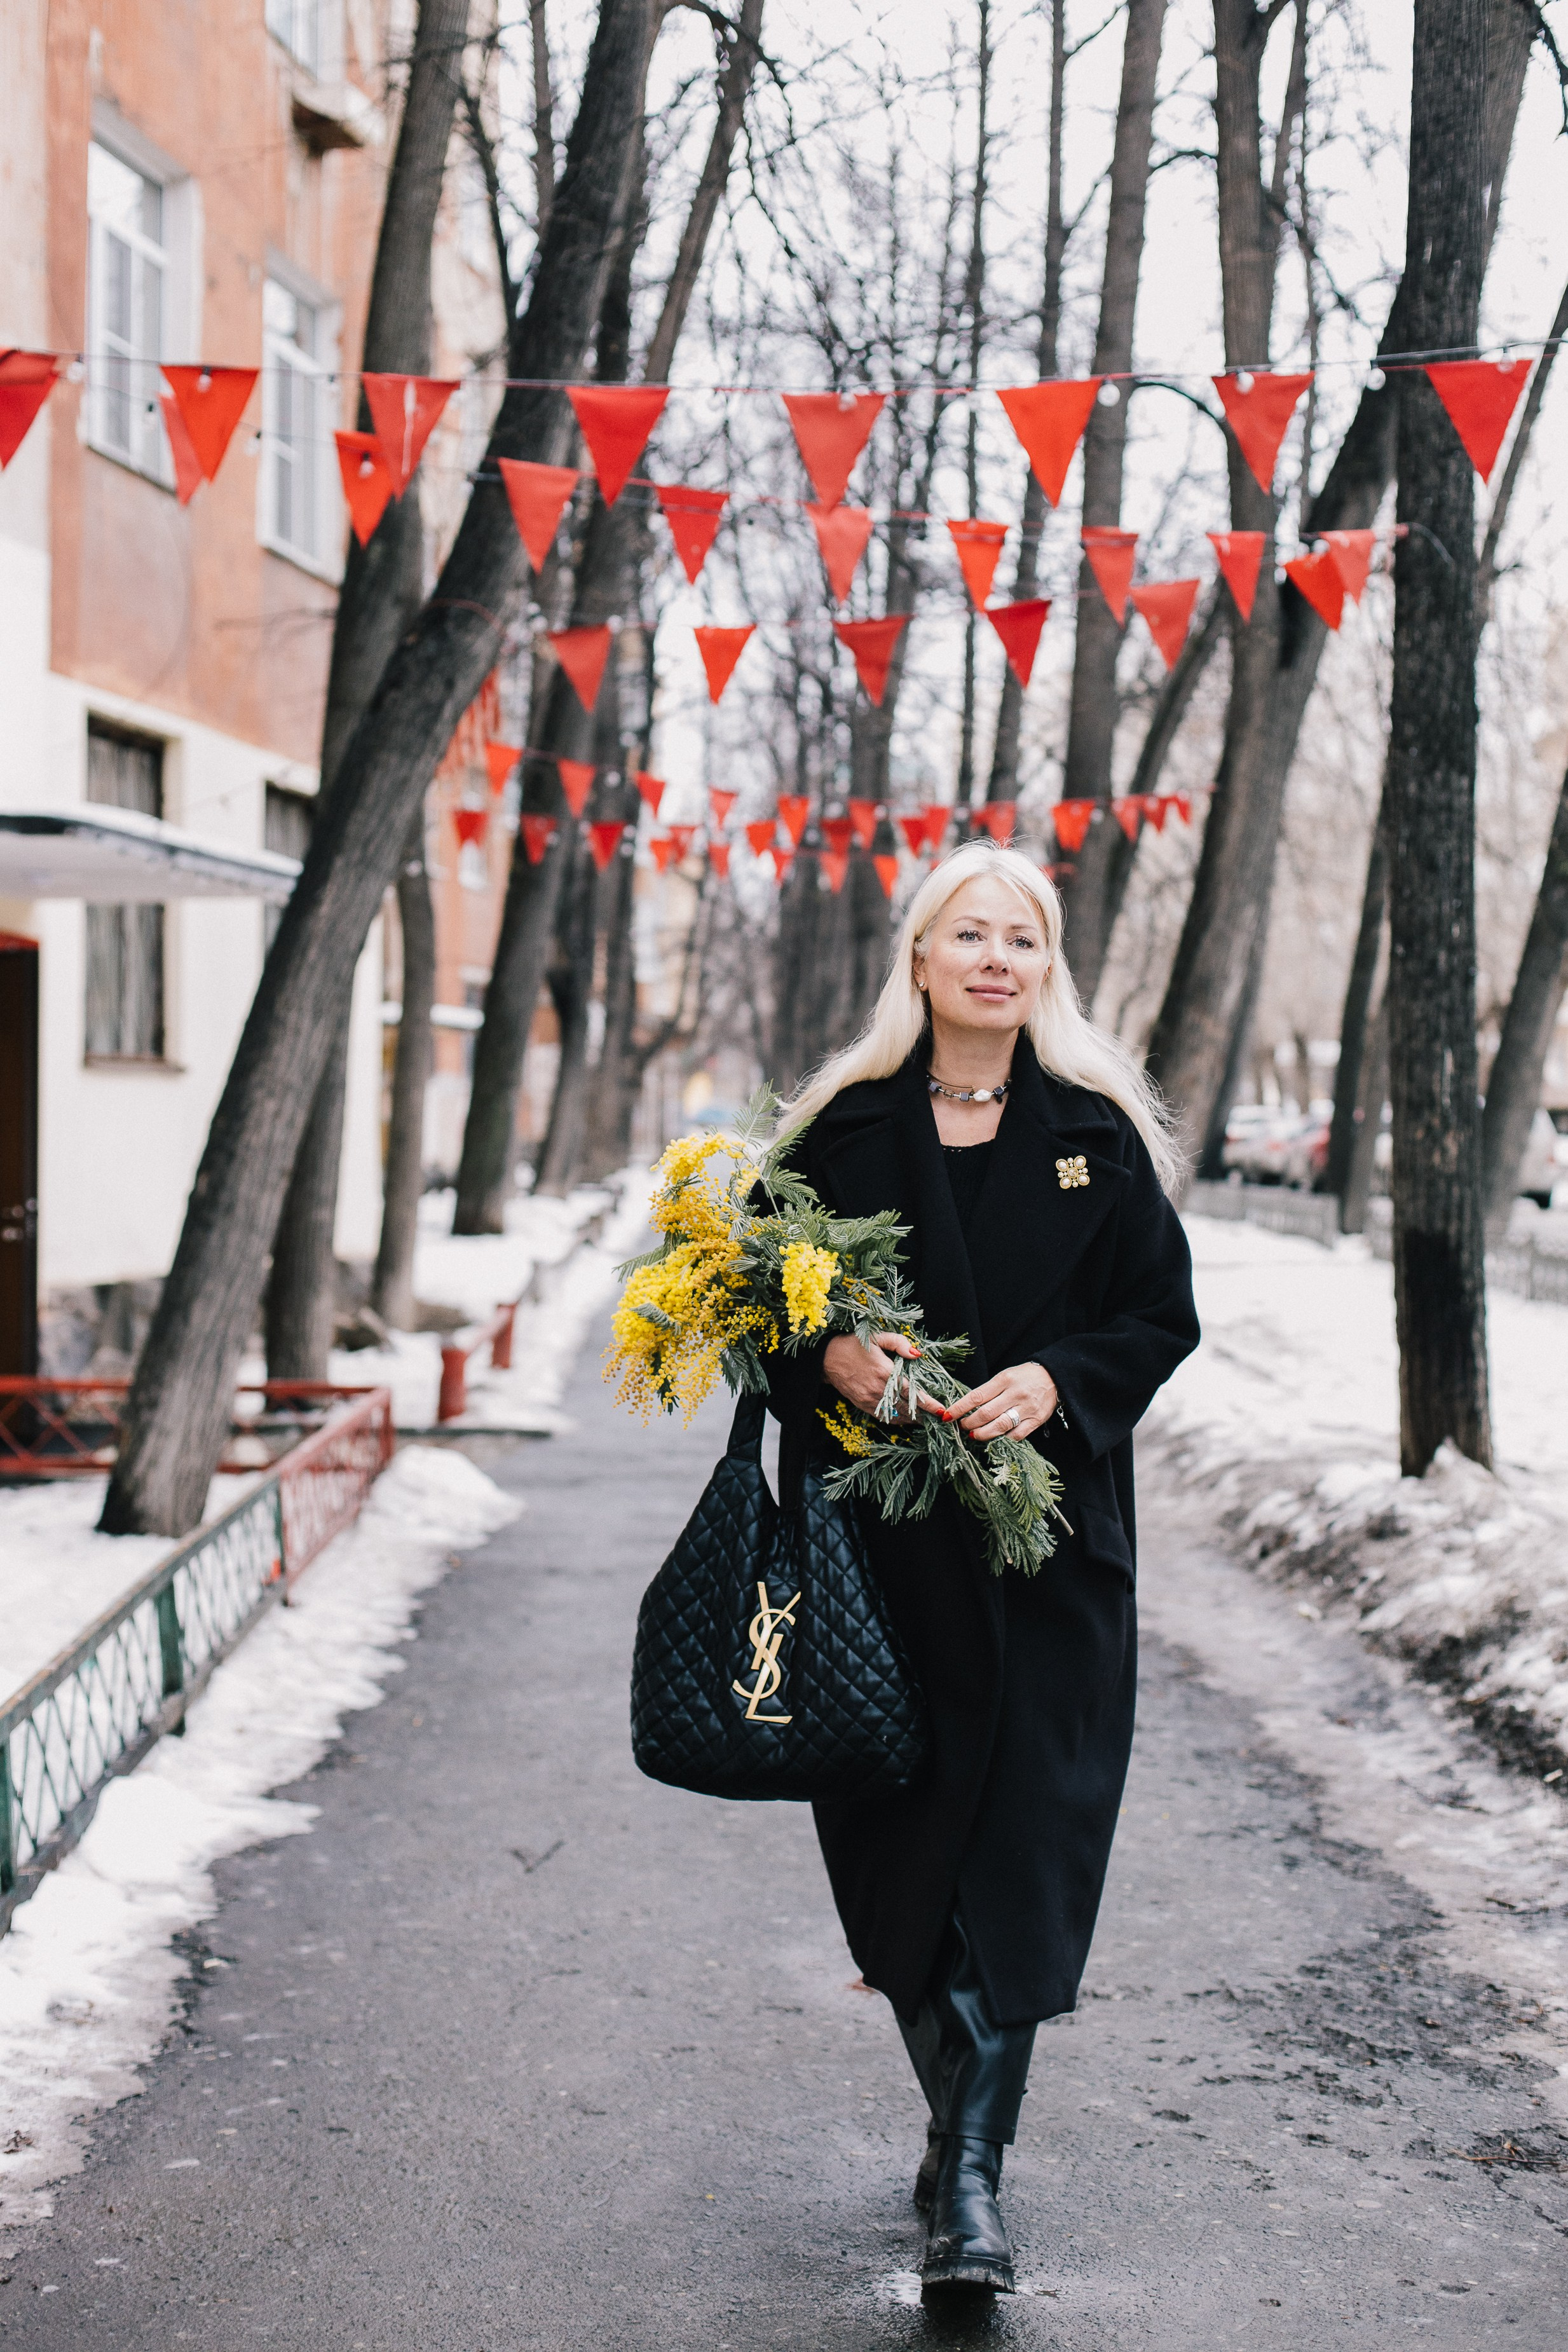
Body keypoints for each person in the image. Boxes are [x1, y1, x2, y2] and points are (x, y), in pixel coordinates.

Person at [763, 838, 1199, 2297]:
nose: (997, 958)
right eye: (970, 934)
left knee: (1019, 1858)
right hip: (882, 1567)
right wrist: (825, 1351)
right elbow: (749, 1297)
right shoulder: (840, 1128)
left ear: (1046, 964)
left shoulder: (1095, 1130)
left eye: (1022, 936)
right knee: (905, 1862)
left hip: (1052, 1559)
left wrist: (1059, 1384)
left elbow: (1158, 1315)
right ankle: (959, 2118)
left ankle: (968, 2180)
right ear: (922, 957)